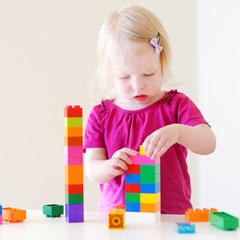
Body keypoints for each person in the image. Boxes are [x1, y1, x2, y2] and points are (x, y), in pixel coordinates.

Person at [83, 5, 216, 214]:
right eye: (125, 77)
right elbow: (92, 168)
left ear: (162, 62)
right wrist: (110, 166)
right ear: (110, 72)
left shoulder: (176, 105)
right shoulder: (101, 115)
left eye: (148, 73)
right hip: (118, 219)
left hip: (170, 217)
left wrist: (178, 132)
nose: (138, 85)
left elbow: (208, 143)